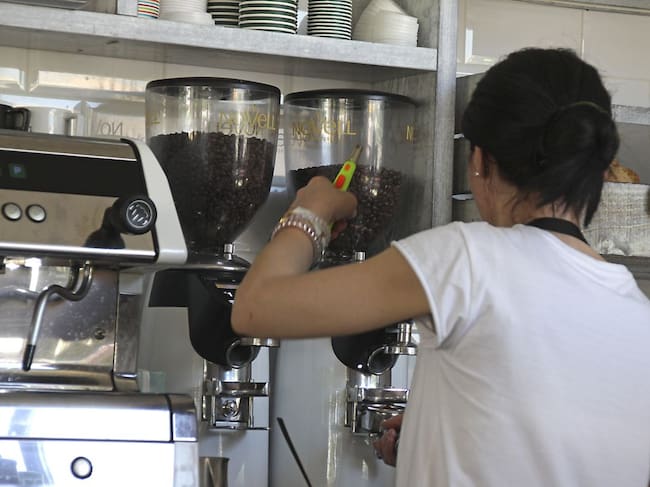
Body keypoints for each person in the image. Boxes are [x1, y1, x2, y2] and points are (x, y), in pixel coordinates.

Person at [231, 47, 650, 486]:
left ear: (480, 161)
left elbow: (255, 308)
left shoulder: (467, 259)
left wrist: (311, 213)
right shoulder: (637, 315)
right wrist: (436, 431)